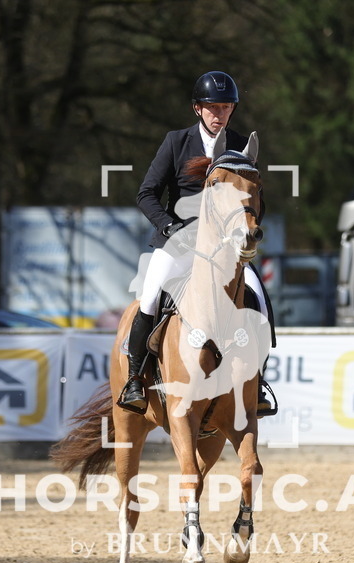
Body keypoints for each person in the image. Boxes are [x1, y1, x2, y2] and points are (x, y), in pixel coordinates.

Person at [118, 70, 276, 417]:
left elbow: (253, 198)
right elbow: (146, 194)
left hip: (227, 249)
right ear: (197, 109)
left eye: (225, 106)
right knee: (151, 294)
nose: (219, 114)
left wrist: (247, 231)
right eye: (211, 107)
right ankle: (134, 379)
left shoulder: (240, 146)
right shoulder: (176, 142)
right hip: (179, 242)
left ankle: (259, 381)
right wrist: (169, 226)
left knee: (260, 300)